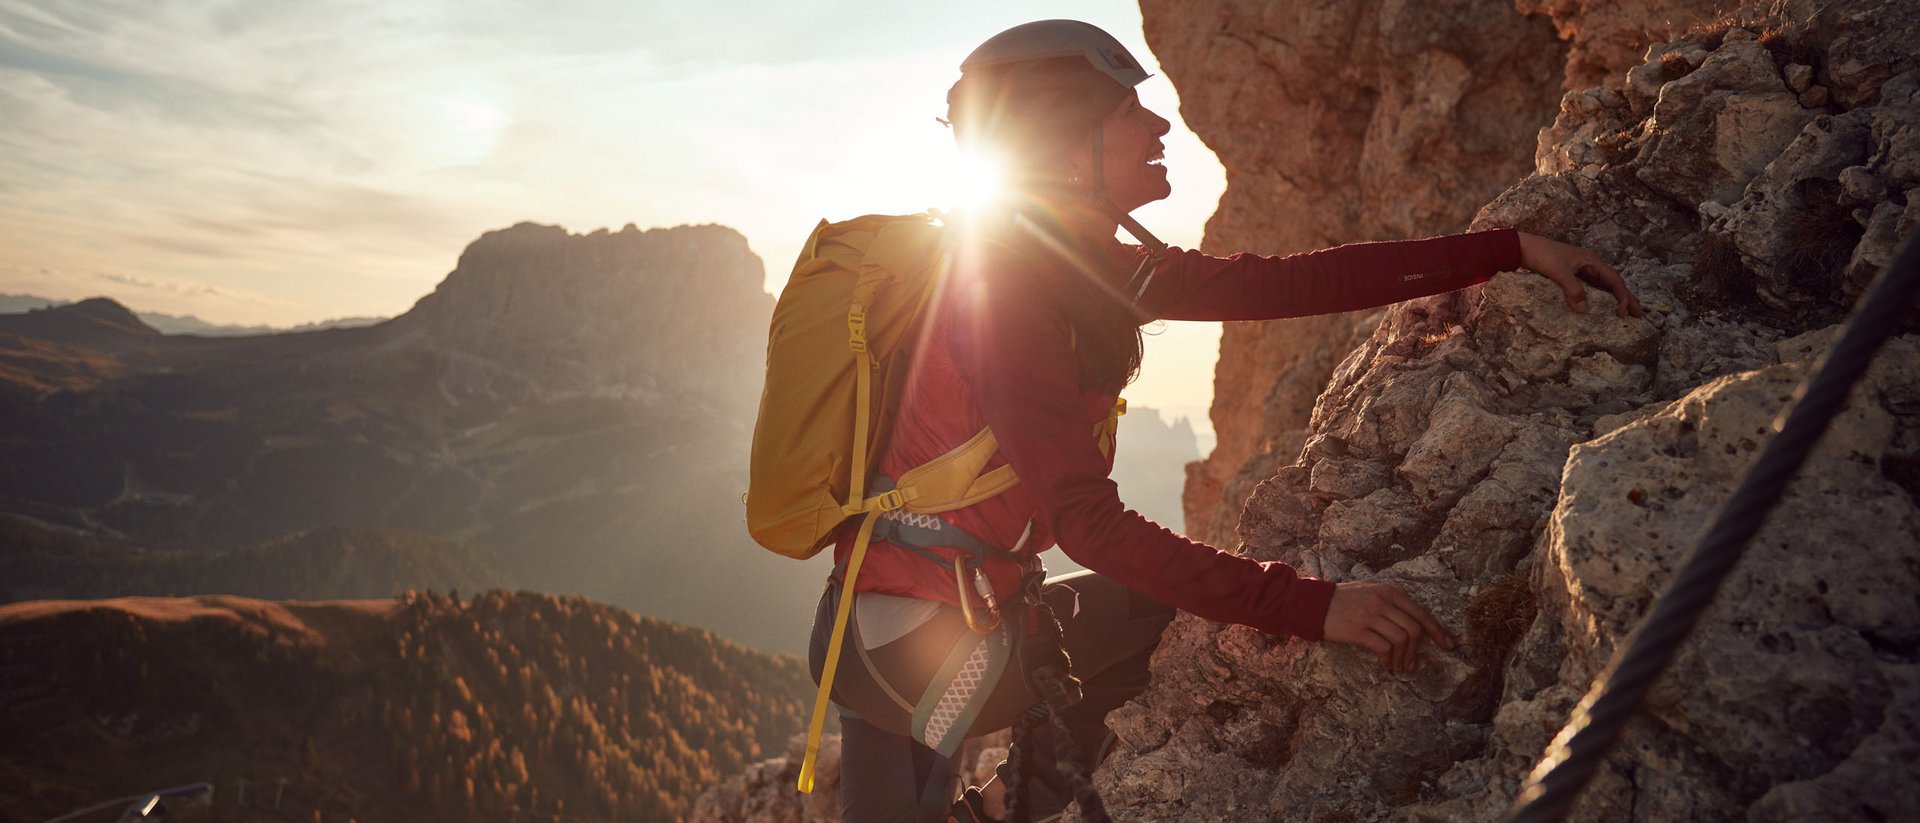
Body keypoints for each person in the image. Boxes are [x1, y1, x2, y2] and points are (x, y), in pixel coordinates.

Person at [806, 19, 1643, 823]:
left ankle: (1004, 804)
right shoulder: (1008, 298)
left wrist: (1505, 249)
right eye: (1127, 112)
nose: (1158, 122)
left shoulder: (1075, 268)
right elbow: (1090, 528)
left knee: (1153, 624)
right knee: (1164, 621)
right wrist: (1312, 605)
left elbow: (1286, 284)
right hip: (922, 653)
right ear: (1065, 153)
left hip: (900, 624)